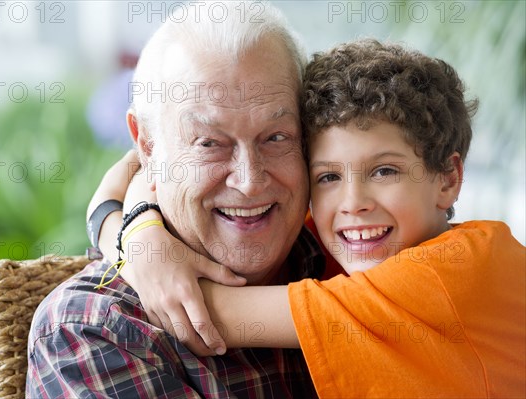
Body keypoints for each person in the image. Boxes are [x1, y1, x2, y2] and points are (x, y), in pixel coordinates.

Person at [94, 40, 526, 397]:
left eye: (384, 171)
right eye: (328, 176)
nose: (352, 202)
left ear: (448, 178)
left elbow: (191, 306)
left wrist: (140, 247)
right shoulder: (339, 236)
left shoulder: (454, 272)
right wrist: (137, 227)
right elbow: (138, 162)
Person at [27, 2, 332, 397]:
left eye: (276, 137)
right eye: (209, 143)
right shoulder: (94, 332)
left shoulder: (354, 257)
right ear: (148, 147)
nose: (250, 181)